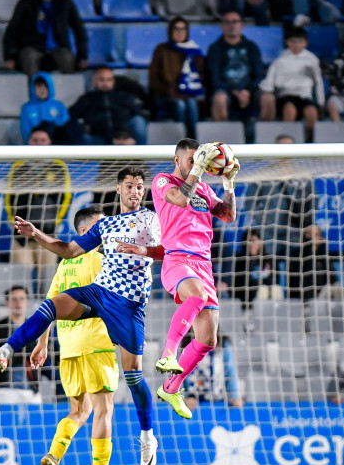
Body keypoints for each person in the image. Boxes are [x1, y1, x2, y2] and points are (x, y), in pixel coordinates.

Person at [0, 166, 162, 465]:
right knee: (51, 305)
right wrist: (36, 235)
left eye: (140, 186)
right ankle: (3, 352)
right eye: (130, 185)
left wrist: (140, 249)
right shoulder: (107, 226)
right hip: (100, 293)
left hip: (128, 306)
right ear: (118, 189)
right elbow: (69, 250)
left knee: (134, 377)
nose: (135, 191)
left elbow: (165, 251)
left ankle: (147, 435)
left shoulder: (151, 219)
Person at [117, 140, 238, 420]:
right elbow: (181, 198)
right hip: (177, 259)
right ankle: (168, 353)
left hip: (204, 264)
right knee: (196, 296)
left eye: (202, 159)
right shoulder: (162, 181)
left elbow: (228, 215)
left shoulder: (206, 189)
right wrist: (198, 168)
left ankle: (172, 387)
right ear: (177, 159)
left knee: (208, 340)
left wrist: (229, 182)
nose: (199, 163)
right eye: (193, 159)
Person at [28, 205, 128, 465]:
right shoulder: (100, 261)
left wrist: (42, 343)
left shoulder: (64, 265)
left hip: (68, 347)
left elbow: (49, 306)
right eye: (99, 228)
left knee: (79, 410)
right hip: (96, 344)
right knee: (104, 409)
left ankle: (53, 456)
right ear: (85, 232)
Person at [3, 0, 87, 77]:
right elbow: (12, 31)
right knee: (29, 57)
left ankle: (70, 90)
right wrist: (10, 57)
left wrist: (82, 56)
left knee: (67, 58)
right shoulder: (26, 2)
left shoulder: (65, 2)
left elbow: (79, 30)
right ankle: (33, 91)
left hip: (58, 46)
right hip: (32, 46)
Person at [4, 135, 70, 269]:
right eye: (35, 140)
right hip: (21, 233)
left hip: (47, 232)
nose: (38, 143)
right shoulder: (19, 166)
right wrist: (14, 222)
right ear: (28, 142)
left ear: (49, 142)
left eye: (42, 140)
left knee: (48, 277)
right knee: (22, 275)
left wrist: (55, 222)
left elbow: (66, 198)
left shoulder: (58, 166)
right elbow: (9, 197)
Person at [259, 26, 325, 142]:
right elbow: (269, 81)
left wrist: (320, 103)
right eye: (293, 41)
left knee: (311, 112)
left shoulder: (312, 60)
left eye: (300, 41)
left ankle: (310, 142)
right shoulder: (280, 60)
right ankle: (287, 142)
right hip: (285, 97)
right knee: (290, 110)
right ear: (287, 42)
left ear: (305, 43)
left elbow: (318, 83)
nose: (296, 45)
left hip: (305, 97)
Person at [149, 16, 206, 138]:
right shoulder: (161, 50)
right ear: (170, 31)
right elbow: (153, 79)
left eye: (183, 29)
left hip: (188, 95)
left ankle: (193, 140)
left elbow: (200, 77)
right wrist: (170, 91)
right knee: (179, 104)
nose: (180, 33)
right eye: (176, 29)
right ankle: (181, 139)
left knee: (191, 103)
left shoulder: (194, 51)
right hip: (166, 96)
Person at [206, 11, 265, 122]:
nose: (231, 25)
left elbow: (259, 74)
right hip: (226, 91)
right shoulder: (215, 48)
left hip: (250, 91)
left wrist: (247, 91)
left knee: (268, 98)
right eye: (227, 22)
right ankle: (221, 137)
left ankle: (268, 138)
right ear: (221, 26)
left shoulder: (252, 47)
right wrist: (235, 92)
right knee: (219, 98)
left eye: (235, 22)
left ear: (242, 25)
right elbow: (214, 78)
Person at [68, 66, 148, 144]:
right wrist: (82, 127)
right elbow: (69, 117)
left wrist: (129, 136)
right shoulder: (86, 99)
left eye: (109, 80)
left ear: (113, 81)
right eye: (101, 80)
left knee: (139, 121)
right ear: (94, 81)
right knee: (84, 138)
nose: (105, 83)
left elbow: (140, 115)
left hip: (125, 138)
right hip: (99, 139)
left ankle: (140, 153)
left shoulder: (125, 97)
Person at [0, 286, 37, 391]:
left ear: (27, 302)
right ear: (7, 303)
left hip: (32, 389)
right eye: (14, 299)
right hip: (5, 389)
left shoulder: (37, 327)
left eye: (22, 299)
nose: (18, 302)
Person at [180, 332, 245, 412]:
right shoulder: (185, 344)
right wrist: (186, 397)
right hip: (193, 403)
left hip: (218, 401)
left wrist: (235, 396)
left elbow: (230, 372)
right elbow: (179, 377)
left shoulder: (223, 344)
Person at [231, 227, 282, 308]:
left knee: (269, 289)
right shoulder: (238, 259)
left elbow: (275, 280)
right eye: (249, 241)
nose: (251, 244)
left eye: (254, 241)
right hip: (246, 296)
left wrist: (260, 282)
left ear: (260, 242)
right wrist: (251, 258)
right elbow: (240, 281)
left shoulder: (269, 260)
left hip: (266, 295)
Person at [287, 224, 335, 301]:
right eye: (309, 234)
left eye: (316, 235)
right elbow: (293, 277)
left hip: (323, 293)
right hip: (301, 292)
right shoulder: (296, 253)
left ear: (321, 238)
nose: (312, 238)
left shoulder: (325, 254)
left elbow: (332, 276)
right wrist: (309, 249)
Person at [19, 72, 70, 143]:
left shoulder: (59, 106)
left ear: (50, 87)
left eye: (45, 86)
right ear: (33, 88)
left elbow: (66, 126)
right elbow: (25, 130)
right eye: (39, 86)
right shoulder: (27, 108)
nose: (42, 90)